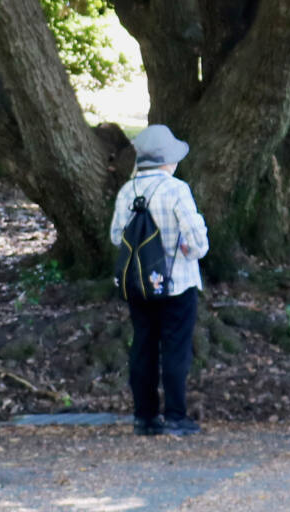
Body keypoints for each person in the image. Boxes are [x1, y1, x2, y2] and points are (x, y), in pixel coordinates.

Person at [109, 124, 210, 438]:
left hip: (138, 283)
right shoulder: (176, 189)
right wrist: (189, 249)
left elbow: (116, 236)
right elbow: (197, 241)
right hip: (176, 282)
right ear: (168, 160)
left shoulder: (128, 190)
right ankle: (176, 416)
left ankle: (145, 416)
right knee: (176, 349)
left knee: (143, 345)